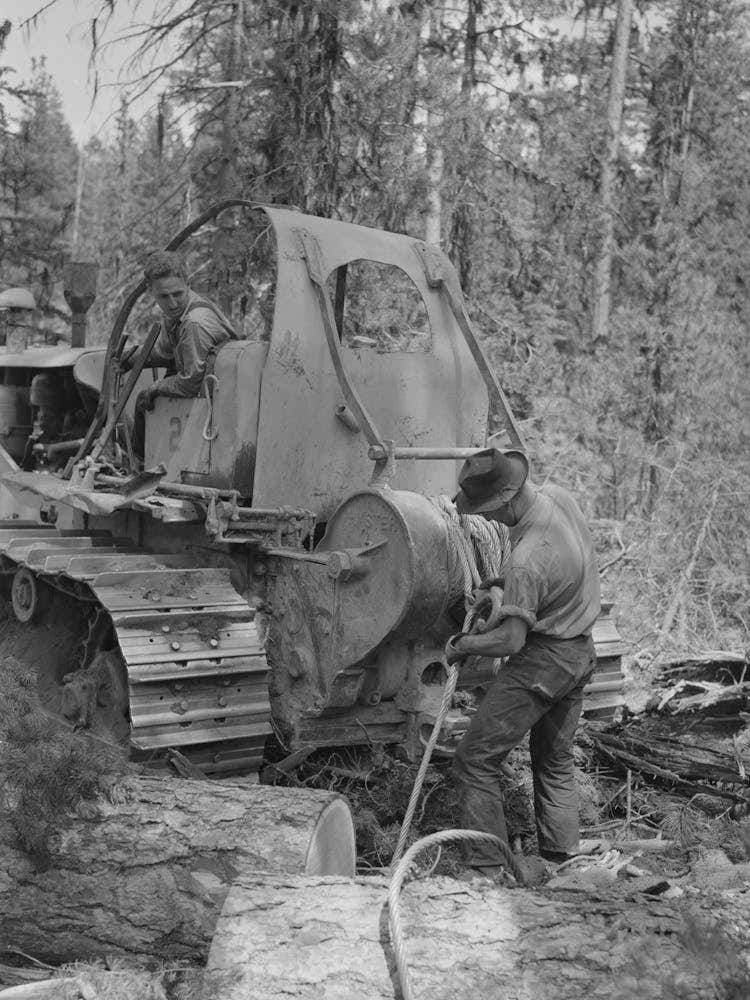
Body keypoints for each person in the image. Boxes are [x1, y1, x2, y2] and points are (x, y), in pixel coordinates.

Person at [445, 447, 601, 884]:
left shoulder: (528, 558)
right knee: (553, 758)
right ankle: (561, 855)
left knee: (474, 759)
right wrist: (502, 586)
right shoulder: (558, 498)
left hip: (545, 661)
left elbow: (511, 640)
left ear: (507, 499)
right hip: (581, 651)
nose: (491, 521)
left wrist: (464, 644)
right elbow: (551, 573)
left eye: (492, 512)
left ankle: (487, 869)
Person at [122, 251, 238, 461]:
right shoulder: (176, 315)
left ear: (188, 282)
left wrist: (155, 388)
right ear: (151, 291)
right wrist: (129, 359)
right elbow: (164, 351)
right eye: (164, 297)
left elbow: (190, 383)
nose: (173, 303)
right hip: (205, 386)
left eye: (177, 293)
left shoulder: (194, 323)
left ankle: (139, 463)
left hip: (217, 398)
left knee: (142, 400)